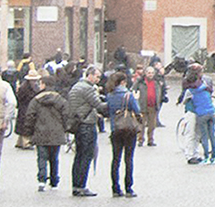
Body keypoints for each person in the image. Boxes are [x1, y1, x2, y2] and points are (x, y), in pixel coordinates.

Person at [24, 79, 71, 190]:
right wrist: (65, 128)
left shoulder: (36, 100)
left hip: (40, 131)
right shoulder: (60, 100)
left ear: (44, 85)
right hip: (56, 132)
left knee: (42, 157)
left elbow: (30, 116)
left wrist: (29, 131)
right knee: (54, 158)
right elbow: (66, 115)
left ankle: (42, 180)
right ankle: (54, 181)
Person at [102, 71, 141, 198]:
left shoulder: (110, 95)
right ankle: (128, 188)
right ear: (123, 82)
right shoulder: (128, 95)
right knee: (128, 159)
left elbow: (108, 110)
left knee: (116, 159)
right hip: (129, 129)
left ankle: (115, 188)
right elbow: (137, 110)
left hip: (116, 128)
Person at [66, 66, 104, 197]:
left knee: (78, 156)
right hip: (87, 124)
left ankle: (76, 185)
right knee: (86, 156)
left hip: (78, 124)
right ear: (90, 75)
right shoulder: (88, 88)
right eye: (97, 76)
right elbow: (99, 105)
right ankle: (81, 186)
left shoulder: (77, 86)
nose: (98, 80)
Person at [183, 70, 215, 164]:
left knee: (192, 134)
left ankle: (191, 155)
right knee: (197, 134)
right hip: (203, 112)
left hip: (193, 112)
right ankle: (194, 154)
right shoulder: (205, 86)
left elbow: (184, 100)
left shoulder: (190, 90)